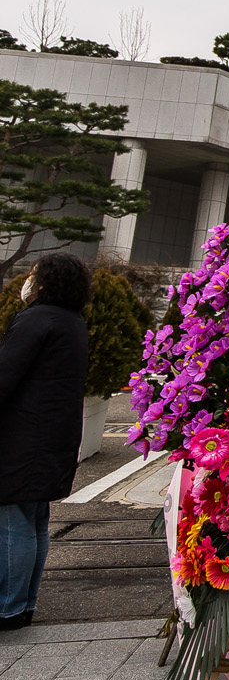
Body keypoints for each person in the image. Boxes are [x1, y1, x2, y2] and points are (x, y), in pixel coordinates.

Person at [0, 252, 91, 630]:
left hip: (22, 439)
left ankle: (8, 608)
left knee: (12, 521)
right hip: (52, 436)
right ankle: (24, 604)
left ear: (46, 282)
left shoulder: (36, 319)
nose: (29, 281)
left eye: (34, 275)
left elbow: (5, 375)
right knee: (34, 519)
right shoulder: (72, 321)